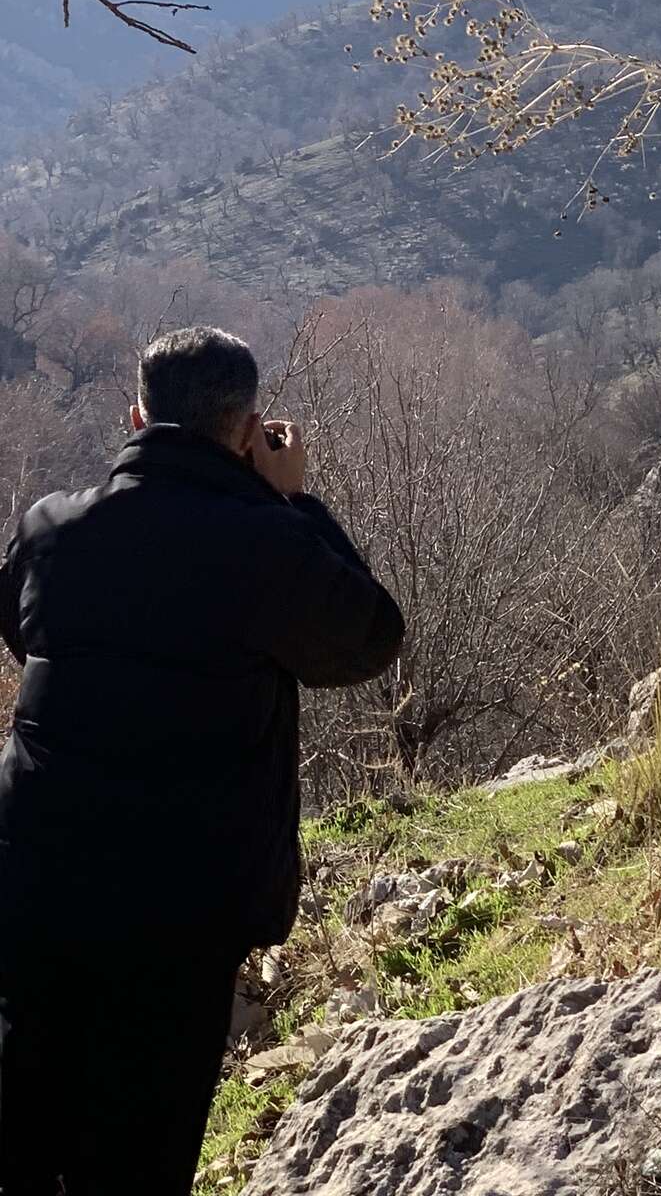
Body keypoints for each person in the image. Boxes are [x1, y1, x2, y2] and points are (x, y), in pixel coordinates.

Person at [0, 325, 404, 1195]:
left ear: (136, 415)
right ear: (248, 430)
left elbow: (18, 629)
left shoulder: (50, 531)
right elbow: (368, 638)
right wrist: (293, 501)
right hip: (181, 909)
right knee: (141, 1153)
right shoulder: (264, 545)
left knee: (23, 1135)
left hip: (35, 883)